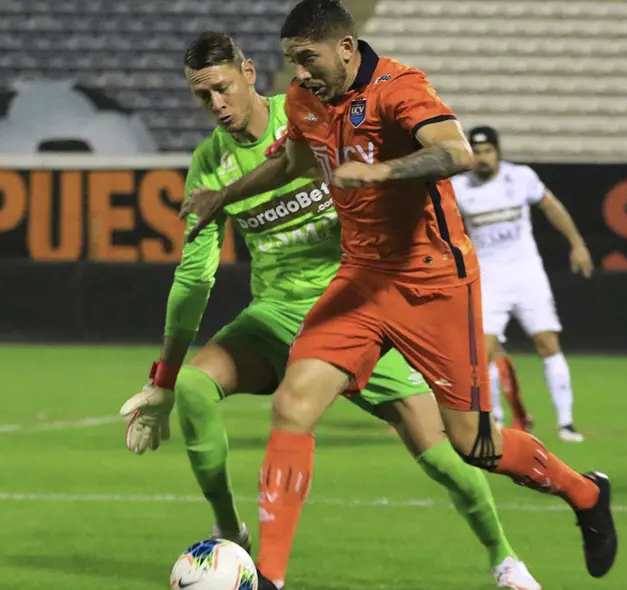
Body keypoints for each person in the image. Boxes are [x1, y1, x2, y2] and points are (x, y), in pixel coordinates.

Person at [182, 2, 618, 588]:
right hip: (360, 280)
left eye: (307, 59)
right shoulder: (309, 101)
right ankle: (271, 579)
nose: (300, 74)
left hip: (433, 282)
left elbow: (456, 151)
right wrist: (224, 194)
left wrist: (384, 171)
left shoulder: (399, 88)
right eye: (291, 61)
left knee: (472, 443)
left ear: (345, 47)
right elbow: (294, 163)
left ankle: (584, 492)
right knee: (292, 406)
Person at [119, 32, 539, 589]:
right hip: (273, 316)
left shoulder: (312, 114)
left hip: (355, 309)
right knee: (196, 389)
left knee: (444, 454)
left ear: (248, 72)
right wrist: (164, 378)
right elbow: (195, 276)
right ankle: (230, 533)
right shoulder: (209, 165)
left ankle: (505, 560)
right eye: (203, 97)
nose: (217, 104)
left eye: (222, 88)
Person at [453, 126, 593, 442]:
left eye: (488, 150)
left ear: (498, 152)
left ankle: (566, 423)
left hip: (527, 274)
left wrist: (577, 243)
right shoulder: (458, 187)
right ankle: (495, 420)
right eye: (477, 151)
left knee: (548, 343)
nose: (483, 157)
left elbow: (551, 206)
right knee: (482, 351)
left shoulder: (521, 178)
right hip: (489, 277)